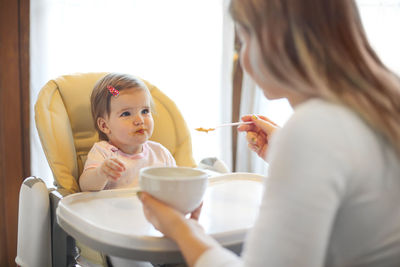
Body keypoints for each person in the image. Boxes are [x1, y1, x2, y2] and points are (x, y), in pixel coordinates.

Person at [138, 0, 400, 266]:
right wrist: (287, 156)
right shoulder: (386, 99)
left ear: (276, 39)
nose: (242, 61)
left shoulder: (313, 127)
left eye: (243, 41)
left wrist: (182, 230)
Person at [79, 73, 176, 192]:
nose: (140, 120)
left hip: (152, 209)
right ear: (104, 125)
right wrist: (101, 173)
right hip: (114, 210)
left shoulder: (160, 154)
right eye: (126, 114)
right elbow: (85, 185)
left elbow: (176, 186)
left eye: (145, 111)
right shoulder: (104, 153)